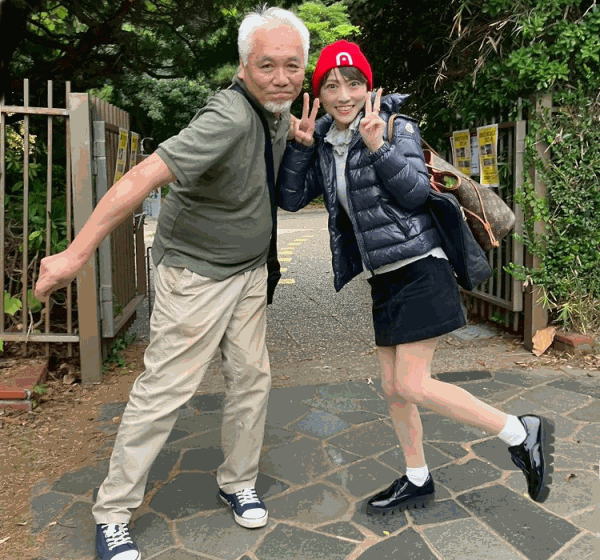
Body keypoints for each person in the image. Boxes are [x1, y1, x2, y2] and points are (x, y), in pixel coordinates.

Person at [34, 7, 309, 560]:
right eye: (267, 65)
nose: (281, 78)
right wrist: (75, 254)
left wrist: (298, 143)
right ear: (243, 66)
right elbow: (141, 177)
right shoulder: (227, 117)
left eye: (292, 66)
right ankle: (113, 512)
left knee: (251, 379)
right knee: (165, 391)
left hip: (248, 270)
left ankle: (238, 481)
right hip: (196, 274)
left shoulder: (278, 112)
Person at [278, 40, 554, 515]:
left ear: (369, 87)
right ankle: (417, 478)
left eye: (353, 84)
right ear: (318, 94)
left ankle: (519, 430)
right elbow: (290, 199)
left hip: (422, 266)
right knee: (393, 389)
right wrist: (301, 148)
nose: (343, 95)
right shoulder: (324, 141)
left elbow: (413, 194)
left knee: (412, 384)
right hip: (383, 276)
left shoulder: (395, 126)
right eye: (331, 86)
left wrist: (377, 146)